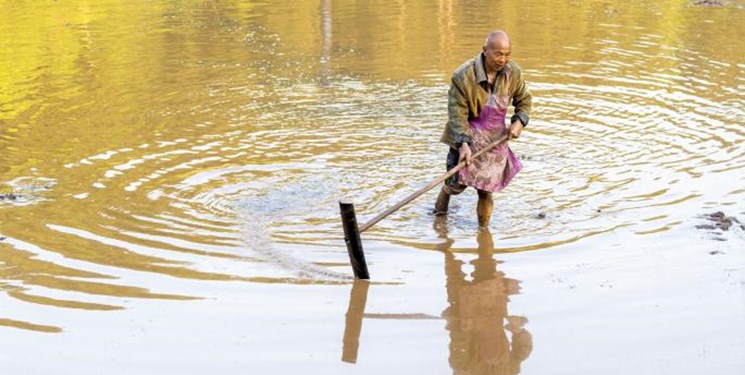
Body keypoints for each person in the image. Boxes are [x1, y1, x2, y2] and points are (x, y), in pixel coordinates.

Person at [434, 30, 532, 228]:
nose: (502, 59)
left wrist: (519, 121)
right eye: (498, 54)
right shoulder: (463, 75)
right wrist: (463, 143)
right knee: (454, 185)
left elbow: (524, 100)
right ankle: (439, 216)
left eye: (507, 54)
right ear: (485, 51)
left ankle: (483, 231)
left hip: (495, 138)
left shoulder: (513, 73)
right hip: (466, 134)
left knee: (486, 190)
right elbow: (457, 113)